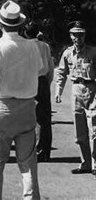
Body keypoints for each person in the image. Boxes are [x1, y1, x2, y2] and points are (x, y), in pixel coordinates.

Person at [0, 0, 43, 200]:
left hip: (1, 107)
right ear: (20, 24)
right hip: (27, 108)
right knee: (28, 164)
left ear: (0, 24)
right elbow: (40, 70)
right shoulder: (33, 47)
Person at [55, 20, 96, 175]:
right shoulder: (67, 53)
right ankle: (85, 163)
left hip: (92, 89)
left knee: (94, 129)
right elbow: (61, 73)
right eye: (74, 34)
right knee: (79, 133)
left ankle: (95, 164)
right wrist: (58, 91)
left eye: (80, 34)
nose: (77, 37)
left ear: (84, 35)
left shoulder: (93, 52)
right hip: (76, 91)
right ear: (70, 36)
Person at [25, 21, 54, 162]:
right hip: (41, 81)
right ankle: (45, 151)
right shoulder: (44, 46)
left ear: (25, 33)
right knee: (45, 118)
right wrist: (47, 83)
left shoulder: (24, 46)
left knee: (29, 117)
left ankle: (30, 149)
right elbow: (50, 67)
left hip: (29, 81)